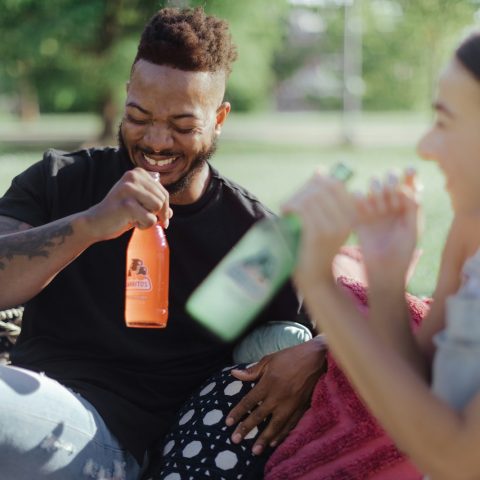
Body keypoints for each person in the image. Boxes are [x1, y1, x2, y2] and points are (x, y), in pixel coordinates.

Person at [0, 7, 326, 480]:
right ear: (126, 96)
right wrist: (91, 224)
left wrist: (315, 351)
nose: (155, 141)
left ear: (219, 119)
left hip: (108, 446)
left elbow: (351, 319)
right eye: (140, 116)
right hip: (26, 398)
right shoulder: (60, 180)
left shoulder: (253, 238)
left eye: (181, 125)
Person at [283, 32, 480, 480]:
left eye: (445, 122)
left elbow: (457, 458)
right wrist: (386, 277)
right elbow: (421, 390)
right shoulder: (472, 225)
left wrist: (318, 284)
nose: (426, 146)